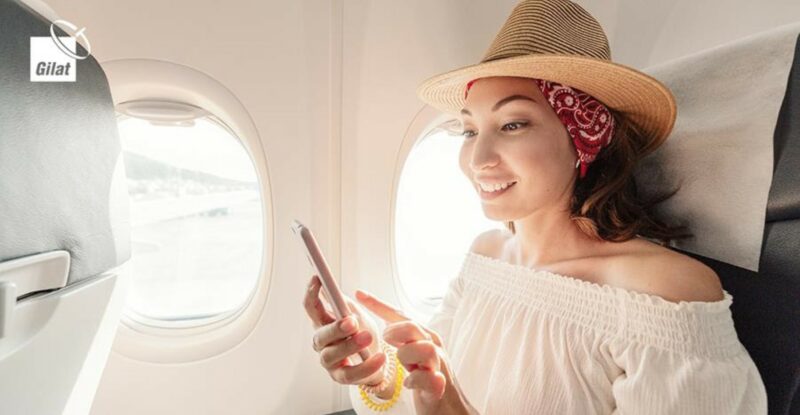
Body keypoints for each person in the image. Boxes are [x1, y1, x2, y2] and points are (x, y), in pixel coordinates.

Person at [303, 0, 769, 413]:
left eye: (512, 125)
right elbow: (422, 397)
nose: (477, 159)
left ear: (584, 138)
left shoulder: (663, 294)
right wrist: (379, 370)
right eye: (469, 130)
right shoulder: (486, 255)